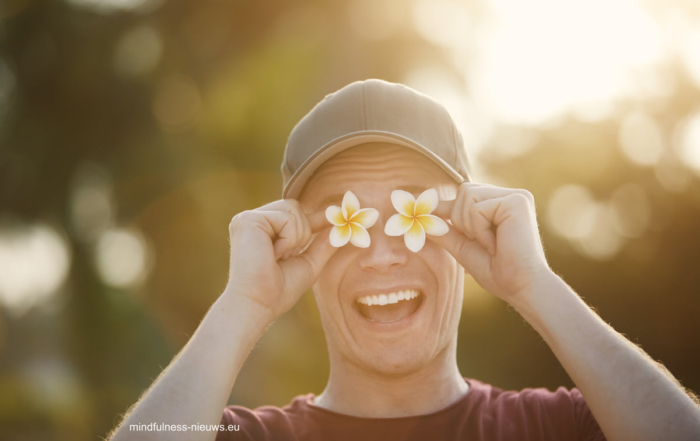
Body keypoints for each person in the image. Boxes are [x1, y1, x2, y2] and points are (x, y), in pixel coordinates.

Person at [108, 79, 700, 441]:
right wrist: (244, 306)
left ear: (467, 222)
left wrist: (534, 285)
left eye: (411, 213)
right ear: (298, 244)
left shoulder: (560, 429)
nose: (383, 252)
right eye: (346, 220)